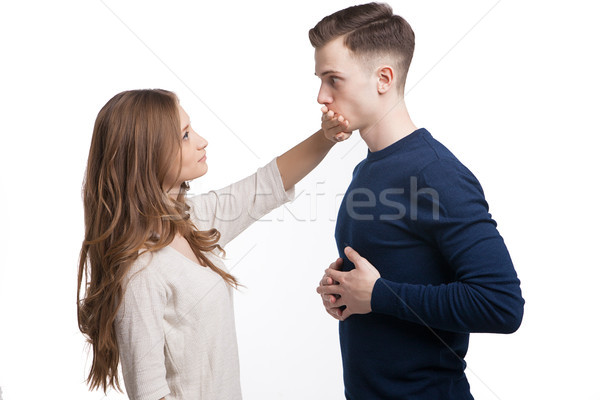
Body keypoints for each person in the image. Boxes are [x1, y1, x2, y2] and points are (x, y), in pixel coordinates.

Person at [77, 89, 350, 399]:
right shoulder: (140, 272)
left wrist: (327, 136)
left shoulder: (193, 219)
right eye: (184, 136)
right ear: (146, 155)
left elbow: (268, 184)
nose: (201, 140)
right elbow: (149, 393)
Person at [312, 3, 525, 399]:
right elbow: (395, 276)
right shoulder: (367, 169)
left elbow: (502, 304)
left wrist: (377, 294)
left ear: (383, 78)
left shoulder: (436, 173)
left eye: (333, 79)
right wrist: (345, 290)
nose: (321, 96)